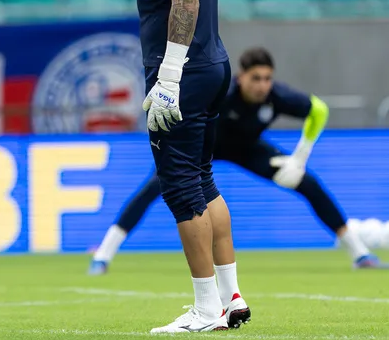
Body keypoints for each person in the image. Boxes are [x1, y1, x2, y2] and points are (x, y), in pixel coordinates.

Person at [106, 0, 248, 334]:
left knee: (181, 186)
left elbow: (184, 0)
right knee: (203, 180)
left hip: (183, 72)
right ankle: (230, 296)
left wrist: (168, 77)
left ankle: (207, 309)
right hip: (213, 61)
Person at [89, 47, 387, 274]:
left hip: (247, 149)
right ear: (241, 76)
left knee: (307, 183)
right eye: (255, 78)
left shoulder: (276, 97)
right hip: (202, 149)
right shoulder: (222, 94)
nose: (262, 85)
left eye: (267, 78)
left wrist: (299, 158)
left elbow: (319, 110)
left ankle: (360, 254)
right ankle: (104, 254)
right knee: (154, 188)